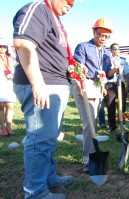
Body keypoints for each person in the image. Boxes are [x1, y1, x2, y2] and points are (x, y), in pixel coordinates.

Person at [12, 0, 75, 198]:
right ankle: (35, 191)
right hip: (43, 83)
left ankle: (48, 177)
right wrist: (37, 83)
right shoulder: (38, 8)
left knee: (48, 137)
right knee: (40, 139)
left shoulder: (53, 16)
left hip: (54, 83)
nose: (71, 5)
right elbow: (23, 43)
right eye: (69, 1)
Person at [73, 18, 114, 173]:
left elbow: (107, 73)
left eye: (106, 36)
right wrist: (79, 86)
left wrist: (115, 71)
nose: (102, 38)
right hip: (85, 85)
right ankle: (87, 160)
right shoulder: (83, 47)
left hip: (97, 87)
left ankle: (92, 154)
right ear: (94, 32)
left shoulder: (106, 52)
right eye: (100, 34)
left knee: (94, 123)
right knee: (89, 125)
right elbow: (77, 68)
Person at [104, 43, 129, 132]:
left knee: (122, 105)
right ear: (110, 50)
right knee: (110, 105)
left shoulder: (123, 60)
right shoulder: (107, 60)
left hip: (121, 83)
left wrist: (127, 85)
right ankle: (112, 126)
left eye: (117, 49)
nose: (116, 50)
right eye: (114, 48)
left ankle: (121, 123)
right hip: (110, 84)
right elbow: (104, 73)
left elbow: (126, 73)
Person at [0, 38, 16, 136]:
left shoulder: (11, 57)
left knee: (10, 106)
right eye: (1, 46)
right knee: (0, 107)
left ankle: (9, 126)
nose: (2, 48)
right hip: (0, 84)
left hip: (9, 84)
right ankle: (2, 127)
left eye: (4, 46)